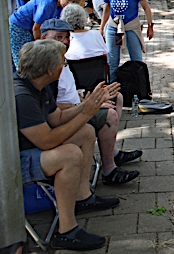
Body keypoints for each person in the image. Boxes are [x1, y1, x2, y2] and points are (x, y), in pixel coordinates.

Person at [15, 39, 119, 251]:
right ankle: (67, 231)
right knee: (69, 155)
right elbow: (48, 141)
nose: (64, 65)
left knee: (85, 132)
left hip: (28, 149)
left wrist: (87, 105)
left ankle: (82, 197)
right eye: (62, 62)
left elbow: (57, 118)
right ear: (49, 70)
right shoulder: (22, 96)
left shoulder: (38, 83)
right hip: (11, 162)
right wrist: (87, 113)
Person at [46, 13, 142, 186]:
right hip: (69, 112)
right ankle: (109, 170)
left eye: (67, 37)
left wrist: (85, 96)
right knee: (109, 114)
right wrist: (87, 104)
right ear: (43, 37)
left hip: (80, 99)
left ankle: (112, 152)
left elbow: (69, 90)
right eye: (58, 37)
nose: (65, 41)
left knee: (117, 96)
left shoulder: (62, 58)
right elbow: (51, 105)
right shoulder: (48, 66)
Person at [99, 0, 155, 78]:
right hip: (114, 26)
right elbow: (106, 10)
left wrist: (150, 26)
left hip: (131, 26)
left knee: (136, 60)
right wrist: (101, 28)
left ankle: (139, 85)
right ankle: (113, 85)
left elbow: (146, 7)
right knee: (112, 61)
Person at [9, 0, 84, 68]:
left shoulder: (61, 6)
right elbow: (36, 28)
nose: (69, 4)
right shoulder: (47, 4)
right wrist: (41, 46)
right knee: (23, 57)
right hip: (19, 25)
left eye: (73, 2)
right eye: (68, 0)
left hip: (33, 27)